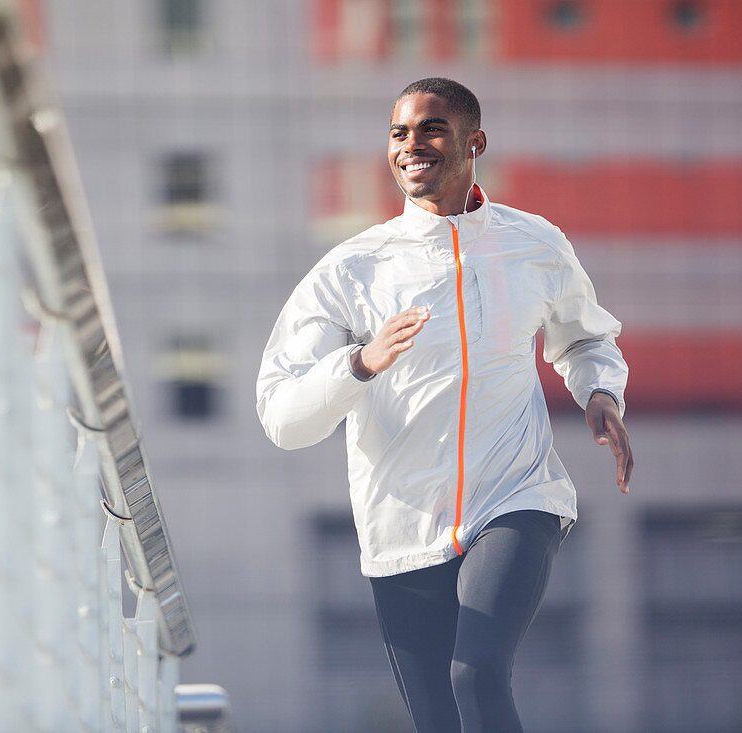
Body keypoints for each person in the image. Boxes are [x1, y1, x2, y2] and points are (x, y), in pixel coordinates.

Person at [255, 78, 633, 732]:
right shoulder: (352, 270)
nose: (411, 146)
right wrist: (358, 364)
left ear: (474, 141)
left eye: (430, 129)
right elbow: (283, 415)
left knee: (478, 673)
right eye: (399, 133)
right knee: (438, 719)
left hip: (516, 495)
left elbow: (586, 335)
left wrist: (599, 390)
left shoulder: (534, 243)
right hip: (402, 532)